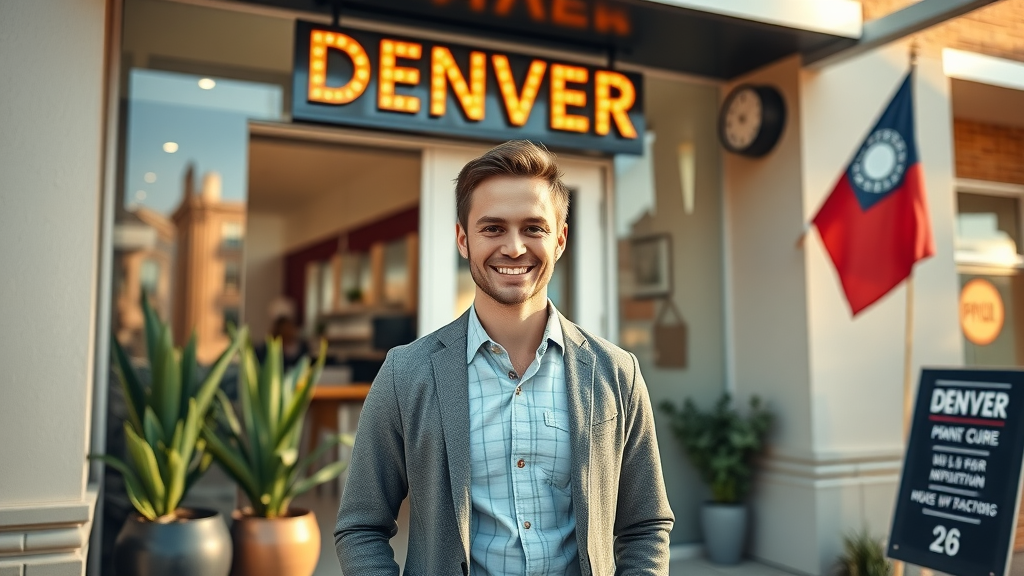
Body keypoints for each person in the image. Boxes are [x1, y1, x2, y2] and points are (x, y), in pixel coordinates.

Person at [334, 140, 674, 575]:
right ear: (463, 240)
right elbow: (361, 527)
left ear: (560, 240)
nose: (514, 248)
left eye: (533, 228)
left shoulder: (616, 372)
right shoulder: (407, 373)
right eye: (493, 228)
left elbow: (646, 525)